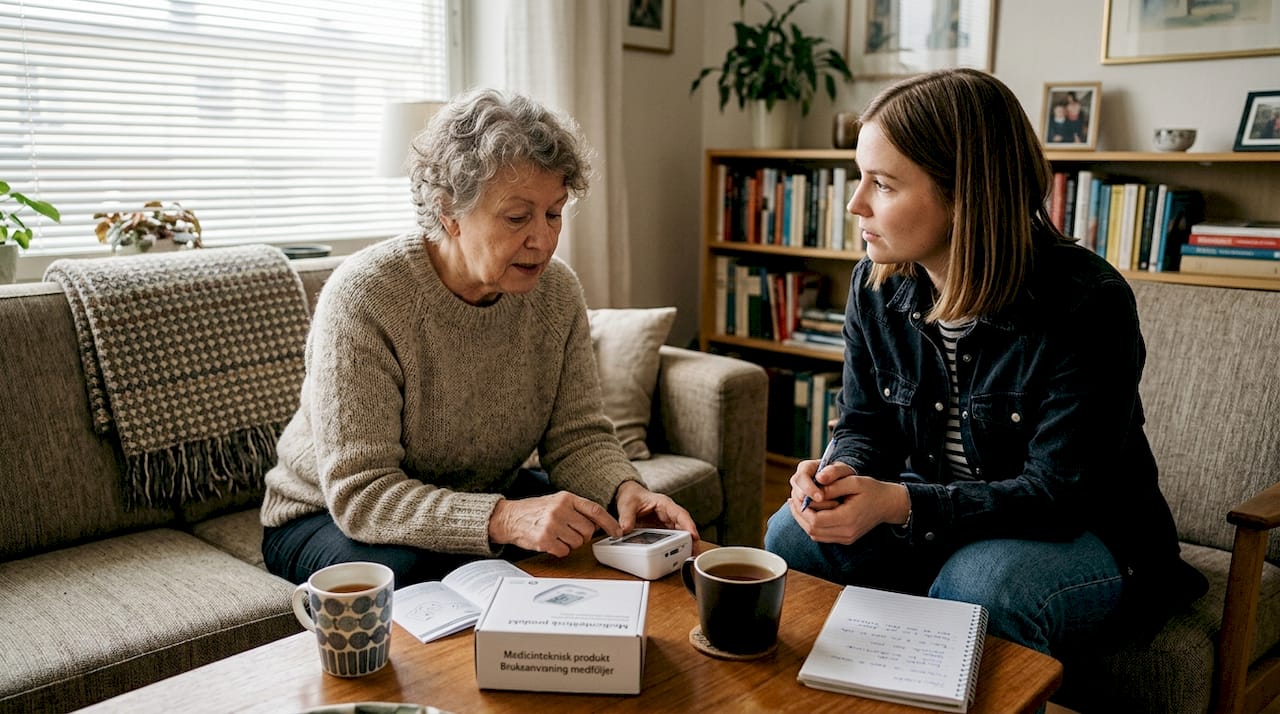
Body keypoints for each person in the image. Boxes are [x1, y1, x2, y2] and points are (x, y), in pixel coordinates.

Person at [763, 69, 1206, 664]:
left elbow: (1057, 495)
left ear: (965, 195)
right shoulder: (875, 284)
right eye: (858, 177)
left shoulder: (1087, 302)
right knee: (791, 534)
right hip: (942, 510)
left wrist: (899, 504)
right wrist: (837, 479)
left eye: (884, 185)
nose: (854, 203)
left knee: (982, 587)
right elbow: (865, 424)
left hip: (1084, 533)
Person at [261, 88, 697, 586]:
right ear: (449, 211)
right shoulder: (366, 296)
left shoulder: (556, 292)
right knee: (418, 576)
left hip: (480, 493)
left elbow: (577, 436)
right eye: (517, 217)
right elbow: (364, 495)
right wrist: (505, 518)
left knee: (592, 533)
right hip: (324, 515)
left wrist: (624, 491)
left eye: (554, 213)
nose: (544, 238)